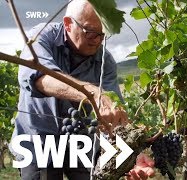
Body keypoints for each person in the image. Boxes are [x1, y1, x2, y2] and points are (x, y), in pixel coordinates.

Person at [9, 0, 154, 179]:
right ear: (68, 24)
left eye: (102, 35)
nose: (98, 41)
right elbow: (40, 79)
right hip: (37, 139)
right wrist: (92, 93)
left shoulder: (105, 62)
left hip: (80, 143)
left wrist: (131, 155)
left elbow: (114, 117)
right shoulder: (42, 37)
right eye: (91, 33)